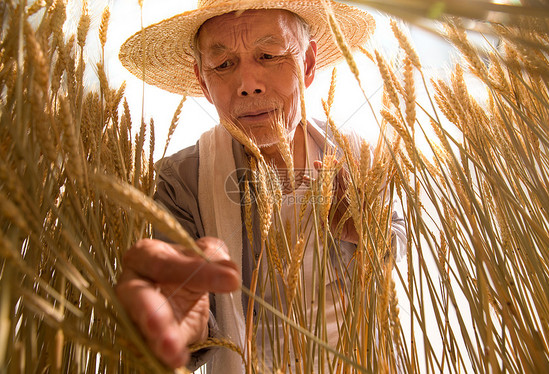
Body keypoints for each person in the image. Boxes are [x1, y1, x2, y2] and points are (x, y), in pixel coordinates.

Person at [117, 0, 403, 372]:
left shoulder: (358, 154)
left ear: (309, 63)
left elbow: (393, 247)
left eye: (269, 55)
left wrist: (369, 232)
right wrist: (179, 323)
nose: (248, 85)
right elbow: (181, 317)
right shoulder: (182, 180)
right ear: (203, 81)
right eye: (223, 65)